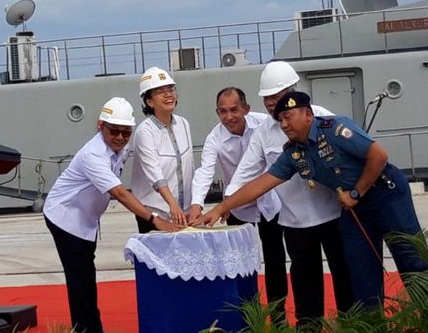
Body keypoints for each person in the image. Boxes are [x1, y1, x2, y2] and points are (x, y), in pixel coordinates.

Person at [195, 91, 428, 310]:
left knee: (411, 258)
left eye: (289, 117)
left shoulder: (335, 128)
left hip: (385, 195)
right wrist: (222, 207)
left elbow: (378, 155)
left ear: (308, 114)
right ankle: (370, 323)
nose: (285, 125)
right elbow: (263, 182)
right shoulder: (293, 153)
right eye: (281, 120)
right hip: (353, 210)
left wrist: (356, 193)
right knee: (362, 272)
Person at [224, 62, 352, 328]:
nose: (271, 104)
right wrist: (224, 205)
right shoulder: (263, 133)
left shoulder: (320, 116)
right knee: (306, 290)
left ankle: (354, 325)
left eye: (276, 97)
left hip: (334, 215)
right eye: (267, 98)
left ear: (292, 90)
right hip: (295, 223)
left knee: (346, 279)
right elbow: (245, 176)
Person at [43, 97, 179, 333]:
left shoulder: (120, 148)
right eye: (114, 131)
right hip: (66, 219)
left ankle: (91, 327)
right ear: (100, 126)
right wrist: (154, 220)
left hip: (86, 219)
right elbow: (119, 193)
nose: (120, 138)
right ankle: (86, 329)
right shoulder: (93, 155)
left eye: (126, 133)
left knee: (86, 276)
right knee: (80, 279)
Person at [188, 87, 268, 224]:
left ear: (246, 109)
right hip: (234, 203)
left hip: (267, 198)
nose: (229, 117)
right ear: (217, 112)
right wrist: (196, 203)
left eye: (234, 110)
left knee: (273, 244)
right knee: (238, 245)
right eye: (223, 111)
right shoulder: (214, 138)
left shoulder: (264, 124)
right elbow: (205, 170)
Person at [131, 67, 195, 231]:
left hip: (182, 213)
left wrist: (193, 204)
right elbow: (154, 173)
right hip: (155, 214)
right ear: (149, 101)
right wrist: (172, 204)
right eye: (160, 91)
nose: (168, 94)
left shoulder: (183, 124)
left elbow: (190, 167)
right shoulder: (145, 132)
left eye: (170, 89)